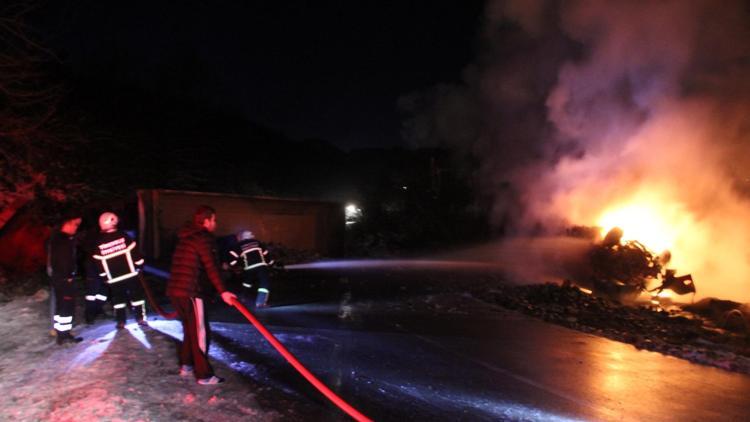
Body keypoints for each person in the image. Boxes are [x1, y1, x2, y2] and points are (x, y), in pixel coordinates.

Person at [166, 205, 237, 385]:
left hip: (177, 291)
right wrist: (223, 291)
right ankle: (204, 375)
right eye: (214, 219)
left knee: (190, 330)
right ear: (206, 221)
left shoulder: (186, 237)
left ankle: (187, 364)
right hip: (191, 291)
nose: (215, 223)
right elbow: (211, 267)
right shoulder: (203, 239)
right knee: (200, 332)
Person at [91, 212, 147, 329]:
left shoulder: (99, 243)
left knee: (118, 300)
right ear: (114, 222)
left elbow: (98, 262)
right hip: (130, 274)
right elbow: (135, 254)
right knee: (136, 297)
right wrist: (140, 265)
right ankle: (140, 318)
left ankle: (121, 321)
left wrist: (104, 277)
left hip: (113, 278)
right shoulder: (124, 236)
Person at [47, 213, 84, 345]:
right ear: (67, 223)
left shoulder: (59, 239)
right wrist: (68, 276)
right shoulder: (63, 241)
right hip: (64, 279)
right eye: (75, 224)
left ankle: (62, 334)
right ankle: (64, 335)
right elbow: (63, 261)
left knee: (61, 306)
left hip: (59, 278)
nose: (76, 227)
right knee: (66, 307)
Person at [228, 230, 274, 308]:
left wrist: (234, 266)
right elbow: (266, 253)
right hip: (261, 266)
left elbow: (233, 257)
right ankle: (260, 302)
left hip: (249, 268)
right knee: (264, 283)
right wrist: (271, 263)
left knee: (247, 282)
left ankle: (243, 297)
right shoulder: (257, 242)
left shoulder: (239, 245)